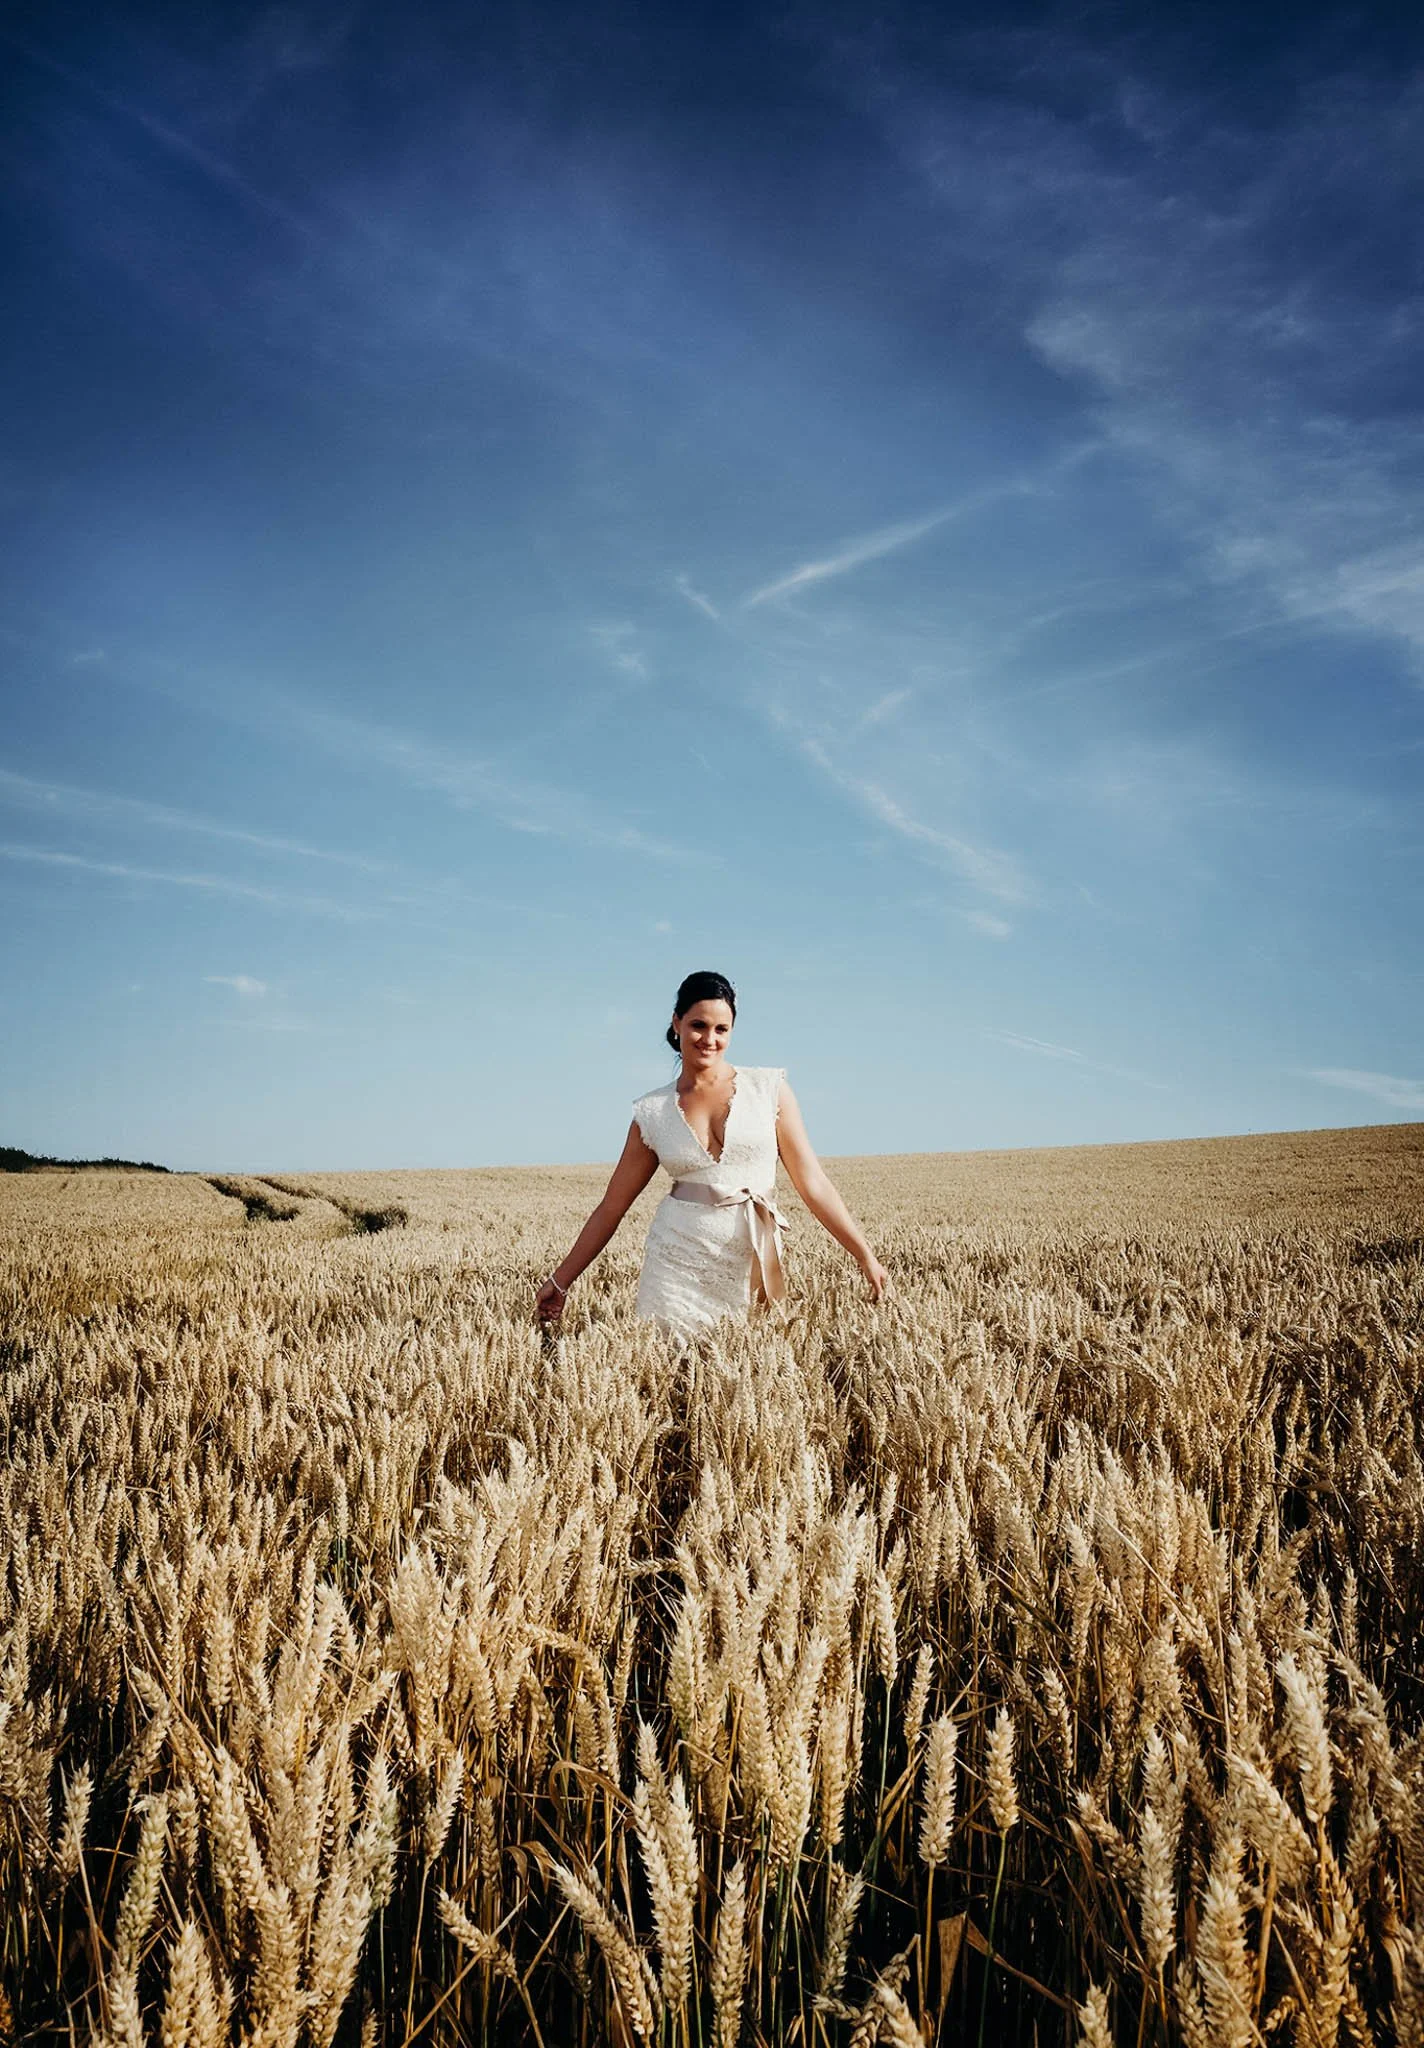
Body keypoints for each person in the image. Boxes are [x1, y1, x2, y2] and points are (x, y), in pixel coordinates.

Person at [534, 970, 888, 1335]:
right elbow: (611, 1207)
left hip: (746, 1262)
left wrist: (864, 1255)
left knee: (745, 1366)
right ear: (677, 1024)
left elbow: (812, 1182)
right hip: (673, 1265)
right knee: (664, 1374)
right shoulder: (653, 1112)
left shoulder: (769, 1090)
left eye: (722, 1029)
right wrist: (561, 1282)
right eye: (698, 1025)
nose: (709, 1039)